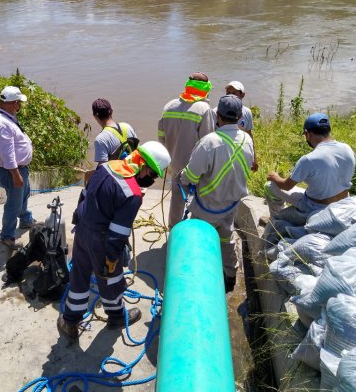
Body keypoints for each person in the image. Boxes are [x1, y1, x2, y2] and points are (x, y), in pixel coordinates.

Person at [57, 141, 171, 340]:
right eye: (152, 174)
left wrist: (78, 218)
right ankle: (117, 317)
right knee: (112, 280)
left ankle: (70, 322)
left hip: (83, 231)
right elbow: (118, 233)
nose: (151, 180)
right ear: (143, 166)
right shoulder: (133, 194)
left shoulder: (107, 167)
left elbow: (85, 194)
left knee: (79, 275)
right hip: (101, 240)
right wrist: (111, 259)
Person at [179, 95, 254, 293]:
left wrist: (182, 177)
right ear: (239, 117)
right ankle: (230, 276)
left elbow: (192, 175)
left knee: (202, 240)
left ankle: (201, 279)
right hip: (232, 204)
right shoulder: (246, 139)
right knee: (226, 238)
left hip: (208, 206)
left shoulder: (209, 142)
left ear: (217, 116)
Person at [265, 112, 356, 223]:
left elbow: (286, 186)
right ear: (328, 130)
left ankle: (274, 219)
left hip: (316, 207)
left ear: (307, 134)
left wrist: (275, 177)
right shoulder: (347, 148)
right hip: (343, 201)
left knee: (269, 186)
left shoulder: (309, 159)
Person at [158, 72, 216, 229]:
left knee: (177, 199)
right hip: (195, 166)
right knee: (199, 200)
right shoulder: (204, 109)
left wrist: (170, 157)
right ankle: (194, 232)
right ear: (206, 89)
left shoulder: (169, 106)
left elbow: (161, 137)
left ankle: (174, 230)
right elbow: (209, 142)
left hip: (174, 163)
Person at [0, 86, 35, 250]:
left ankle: (26, 219)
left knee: (23, 196)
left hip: (19, 168)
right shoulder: (0, 123)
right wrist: (15, 174)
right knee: (13, 205)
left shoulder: (5, 116)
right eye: (17, 103)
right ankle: (7, 236)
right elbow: (7, 153)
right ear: (10, 103)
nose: (18, 106)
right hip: (12, 171)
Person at [215, 81, 258, 172]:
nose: (231, 96)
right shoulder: (216, 111)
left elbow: (249, 134)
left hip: (238, 151)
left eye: (234, 93)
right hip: (220, 151)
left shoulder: (247, 112)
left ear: (242, 95)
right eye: (228, 93)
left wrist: (254, 157)